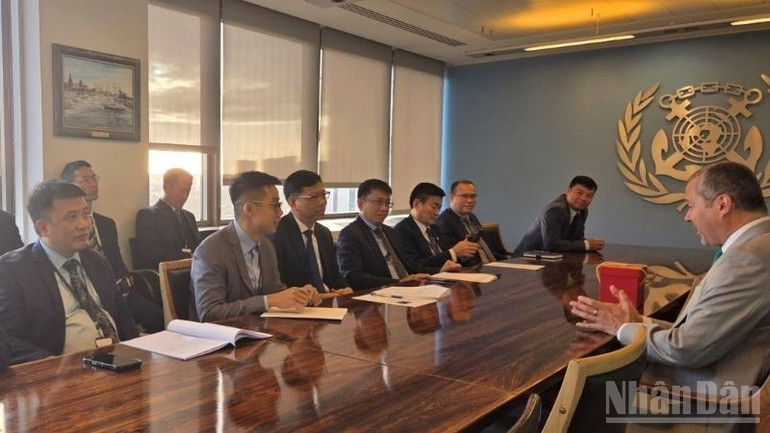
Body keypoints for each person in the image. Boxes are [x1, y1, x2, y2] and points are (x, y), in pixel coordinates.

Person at [571, 162, 770, 391]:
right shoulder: (759, 247)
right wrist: (638, 322)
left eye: (691, 205)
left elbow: (685, 349)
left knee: (579, 388)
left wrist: (620, 328)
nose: (687, 217)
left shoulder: (746, 260)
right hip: (716, 378)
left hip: (699, 398)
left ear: (722, 205)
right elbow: (699, 334)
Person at [0, 180, 139, 363]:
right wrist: (54, 365)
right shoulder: (13, 270)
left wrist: (140, 353)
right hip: (61, 372)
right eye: (72, 217)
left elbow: (123, 316)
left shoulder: (96, 260)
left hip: (116, 362)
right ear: (43, 228)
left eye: (85, 214)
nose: (84, 224)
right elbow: (8, 338)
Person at [192, 171, 320, 322]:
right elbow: (209, 312)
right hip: (226, 335)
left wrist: (300, 295)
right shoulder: (210, 250)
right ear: (249, 209)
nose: (280, 212)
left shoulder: (266, 246)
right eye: (275, 205)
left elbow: (275, 292)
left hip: (262, 331)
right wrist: (268, 301)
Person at [62, 160, 163, 333]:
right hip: (88, 292)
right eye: (85, 180)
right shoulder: (67, 229)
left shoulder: (106, 224)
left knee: (158, 316)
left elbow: (116, 260)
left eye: (94, 178)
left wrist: (125, 279)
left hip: (118, 290)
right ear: (69, 186)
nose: (93, 184)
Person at [270, 170, 352, 296]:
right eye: (314, 197)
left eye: (323, 195)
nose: (322, 202)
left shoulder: (324, 233)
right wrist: (318, 297)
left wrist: (345, 288)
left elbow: (335, 275)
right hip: (301, 304)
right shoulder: (276, 234)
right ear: (293, 202)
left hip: (330, 301)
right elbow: (281, 286)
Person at [337, 179, 429, 290]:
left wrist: (437, 272)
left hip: (408, 288)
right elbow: (353, 276)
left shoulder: (390, 231)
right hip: (380, 293)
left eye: (387, 203)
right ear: (360, 204)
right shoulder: (350, 234)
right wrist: (398, 283)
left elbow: (409, 265)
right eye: (378, 202)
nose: (384, 208)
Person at [394, 182, 478, 274]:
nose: (437, 213)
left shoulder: (435, 228)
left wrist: (463, 252)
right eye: (434, 207)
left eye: (439, 208)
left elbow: (446, 255)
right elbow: (414, 266)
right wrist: (453, 253)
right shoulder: (402, 230)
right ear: (417, 204)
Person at [513, 176, 605, 256]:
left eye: (589, 195)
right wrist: (586, 245)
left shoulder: (583, 210)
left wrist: (591, 244)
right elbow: (551, 244)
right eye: (579, 193)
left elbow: (576, 238)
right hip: (526, 260)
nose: (584, 198)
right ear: (568, 191)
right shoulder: (554, 210)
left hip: (552, 258)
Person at [134, 168, 200, 270]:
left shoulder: (189, 217)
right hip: (165, 272)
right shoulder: (148, 215)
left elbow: (198, 247)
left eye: (188, 191)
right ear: (166, 188)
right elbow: (150, 252)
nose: (184, 196)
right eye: (181, 190)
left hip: (194, 270)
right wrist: (186, 256)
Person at [435, 179, 507, 265]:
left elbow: (485, 248)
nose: (469, 200)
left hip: (492, 264)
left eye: (473, 196)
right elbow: (451, 256)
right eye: (464, 196)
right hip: (472, 268)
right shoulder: (444, 221)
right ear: (452, 198)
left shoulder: (471, 217)